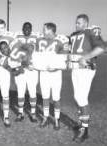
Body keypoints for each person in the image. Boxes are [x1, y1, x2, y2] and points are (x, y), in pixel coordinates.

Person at [69, 14, 105, 143]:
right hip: (75, 68)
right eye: (76, 22)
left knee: (81, 98)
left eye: (79, 23)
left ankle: (85, 130)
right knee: (76, 97)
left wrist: (86, 57)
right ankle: (81, 122)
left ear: (86, 23)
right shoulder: (73, 35)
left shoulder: (90, 32)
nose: (76, 25)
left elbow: (101, 48)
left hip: (86, 69)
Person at [36, 23, 69, 130]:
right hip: (44, 73)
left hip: (55, 73)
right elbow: (37, 57)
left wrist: (55, 68)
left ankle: (57, 119)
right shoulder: (40, 40)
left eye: (44, 29)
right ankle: (45, 117)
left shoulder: (61, 40)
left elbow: (64, 59)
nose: (43, 31)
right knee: (45, 97)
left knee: (56, 98)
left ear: (51, 30)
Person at [9, 22, 39, 122]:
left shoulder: (36, 38)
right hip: (20, 68)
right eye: (25, 27)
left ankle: (33, 113)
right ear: (22, 28)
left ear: (31, 29)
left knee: (32, 92)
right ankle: (20, 113)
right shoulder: (16, 37)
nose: (27, 29)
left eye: (29, 27)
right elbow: (12, 51)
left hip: (31, 69)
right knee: (20, 92)